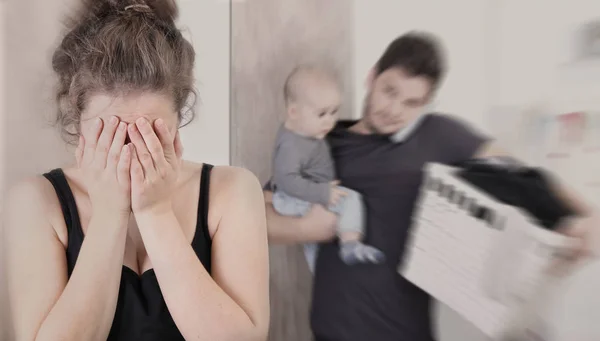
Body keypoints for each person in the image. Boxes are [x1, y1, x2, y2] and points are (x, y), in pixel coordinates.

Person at [263, 31, 598, 341]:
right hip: (331, 333)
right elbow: (258, 218)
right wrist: (308, 228)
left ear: (427, 104)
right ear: (372, 76)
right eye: (389, 91)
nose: (395, 109)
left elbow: (524, 174)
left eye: (412, 103)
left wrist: (587, 213)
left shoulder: (440, 135)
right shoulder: (322, 142)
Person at [5, 1, 269, 340]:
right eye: (110, 135)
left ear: (178, 119)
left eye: (150, 134)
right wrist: (109, 215)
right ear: (78, 123)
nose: (130, 152)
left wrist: (156, 212)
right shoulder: (36, 201)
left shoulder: (232, 190)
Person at [270, 65, 384, 272]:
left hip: (304, 194)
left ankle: (321, 272)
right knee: (350, 199)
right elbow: (286, 180)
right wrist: (322, 192)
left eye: (334, 112)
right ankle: (350, 243)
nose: (330, 121)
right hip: (294, 198)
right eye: (322, 114)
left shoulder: (307, 131)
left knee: (314, 249)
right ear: (293, 112)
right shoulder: (292, 144)